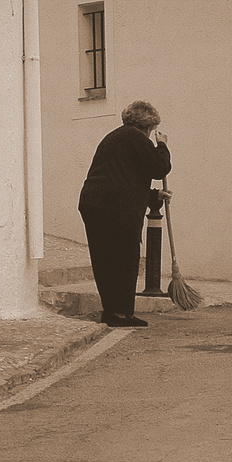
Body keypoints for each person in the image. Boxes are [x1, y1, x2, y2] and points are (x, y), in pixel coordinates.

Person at [78, 100, 171, 328]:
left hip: (97, 204)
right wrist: (162, 146)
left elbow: (124, 177)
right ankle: (120, 314)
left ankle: (116, 312)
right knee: (124, 258)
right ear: (148, 126)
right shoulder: (135, 137)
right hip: (113, 208)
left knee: (107, 260)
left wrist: (153, 196)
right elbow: (159, 168)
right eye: (152, 130)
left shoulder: (118, 137)